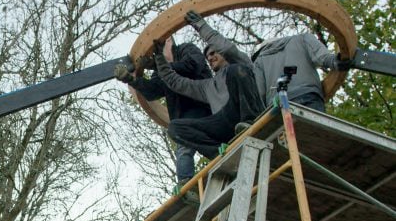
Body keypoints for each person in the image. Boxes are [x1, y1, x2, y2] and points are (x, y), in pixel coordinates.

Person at [152, 11, 265, 160]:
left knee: (235, 70)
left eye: (213, 52)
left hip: (247, 113)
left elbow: (228, 49)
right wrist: (159, 57)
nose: (210, 57)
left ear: (223, 53)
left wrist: (200, 25)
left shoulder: (241, 64)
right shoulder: (207, 86)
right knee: (175, 128)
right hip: (225, 124)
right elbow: (175, 82)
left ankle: (250, 123)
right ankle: (219, 153)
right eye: (208, 56)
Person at [115, 38, 213, 186]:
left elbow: (194, 65)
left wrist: (159, 65)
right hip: (183, 116)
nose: (156, 55)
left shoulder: (186, 49)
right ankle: (186, 184)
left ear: (169, 41)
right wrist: (131, 80)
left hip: (204, 105)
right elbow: (152, 91)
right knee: (183, 148)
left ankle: (187, 182)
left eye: (157, 51)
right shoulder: (161, 69)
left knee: (185, 147)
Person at [251, 33, 352, 112]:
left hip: (278, 107)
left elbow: (259, 94)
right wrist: (337, 61)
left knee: (287, 137)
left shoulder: (259, 60)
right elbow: (323, 57)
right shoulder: (302, 39)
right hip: (308, 96)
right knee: (317, 134)